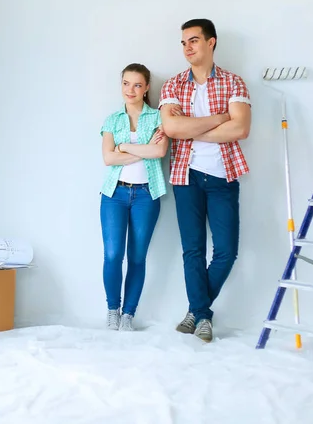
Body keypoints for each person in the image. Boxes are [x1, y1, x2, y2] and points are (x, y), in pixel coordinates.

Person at [158, 19, 251, 342]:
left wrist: (191, 126)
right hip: (186, 176)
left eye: (194, 41)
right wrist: (217, 119)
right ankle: (202, 315)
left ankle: (198, 312)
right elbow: (171, 129)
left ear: (211, 43)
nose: (187, 48)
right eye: (183, 42)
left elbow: (240, 129)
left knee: (226, 251)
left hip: (223, 175)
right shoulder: (173, 85)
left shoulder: (233, 83)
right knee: (192, 250)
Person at [100, 63, 169, 331]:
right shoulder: (112, 119)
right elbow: (108, 158)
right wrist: (144, 149)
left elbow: (160, 151)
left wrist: (126, 146)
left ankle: (128, 314)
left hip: (145, 195)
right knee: (113, 254)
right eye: (126, 84)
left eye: (137, 85)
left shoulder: (157, 118)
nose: (131, 90)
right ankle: (112, 310)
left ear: (147, 87)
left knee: (137, 257)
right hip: (114, 193)